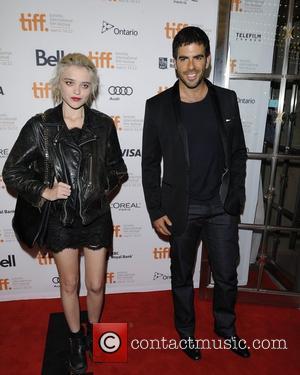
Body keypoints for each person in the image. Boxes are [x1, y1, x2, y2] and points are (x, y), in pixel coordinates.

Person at [3, 53, 127, 374]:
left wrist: (101, 186)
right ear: (59, 83)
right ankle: (74, 339)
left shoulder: (103, 125)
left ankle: (96, 333)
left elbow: (118, 170)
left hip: (96, 217)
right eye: (70, 82)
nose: (76, 91)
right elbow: (12, 171)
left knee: (96, 285)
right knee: (70, 284)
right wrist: (44, 191)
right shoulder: (41, 126)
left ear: (92, 89)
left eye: (84, 85)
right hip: (59, 220)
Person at [142, 26, 250, 360]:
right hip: (180, 208)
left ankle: (226, 328)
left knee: (227, 274)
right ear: (174, 62)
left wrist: (235, 197)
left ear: (206, 60)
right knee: (182, 275)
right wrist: (155, 210)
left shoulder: (226, 99)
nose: (190, 66)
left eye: (197, 58)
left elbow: (238, 152)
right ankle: (186, 332)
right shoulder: (158, 106)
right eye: (183, 59)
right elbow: (149, 163)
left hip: (220, 206)